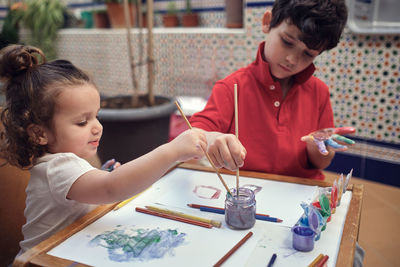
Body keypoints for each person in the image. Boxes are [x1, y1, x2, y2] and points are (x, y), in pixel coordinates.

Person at [0, 44, 207, 255]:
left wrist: (101, 175)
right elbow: (111, 188)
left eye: (96, 115)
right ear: (39, 134)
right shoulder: (57, 167)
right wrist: (171, 151)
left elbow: (101, 186)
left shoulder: (61, 163)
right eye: (82, 122)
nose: (97, 127)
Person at [189, 0, 349, 180]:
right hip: (241, 192)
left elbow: (322, 163)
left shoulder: (319, 93)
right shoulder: (231, 87)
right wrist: (211, 139)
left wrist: (316, 148)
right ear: (267, 22)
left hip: (298, 192)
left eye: (308, 54)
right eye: (287, 42)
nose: (292, 60)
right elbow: (195, 134)